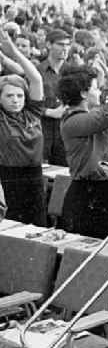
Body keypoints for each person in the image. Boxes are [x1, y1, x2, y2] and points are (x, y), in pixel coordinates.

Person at [58, 65, 108, 238]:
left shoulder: (90, 113)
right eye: (96, 88)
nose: (99, 92)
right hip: (86, 193)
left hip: (106, 189)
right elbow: (106, 115)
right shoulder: (72, 121)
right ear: (83, 93)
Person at [0, 30, 46, 224]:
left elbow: (36, 79)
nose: (15, 100)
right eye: (9, 96)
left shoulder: (32, 112)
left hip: (35, 178)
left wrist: (13, 52)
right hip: (7, 179)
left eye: (19, 96)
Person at [37, 28, 71, 166]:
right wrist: (49, 112)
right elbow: (26, 104)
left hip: (65, 132)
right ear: (49, 45)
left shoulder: (72, 72)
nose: (65, 48)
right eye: (61, 44)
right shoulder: (37, 71)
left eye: (67, 45)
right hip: (42, 130)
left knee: (63, 175)